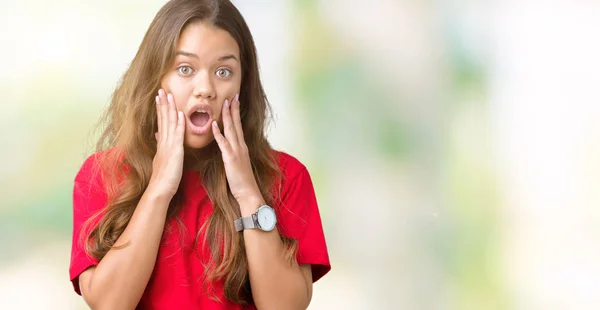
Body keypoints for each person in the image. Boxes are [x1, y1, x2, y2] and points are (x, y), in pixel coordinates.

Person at [68, 0, 331, 309]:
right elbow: (108, 304)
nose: (205, 88)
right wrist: (159, 189)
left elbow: (286, 306)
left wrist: (247, 192)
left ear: (242, 86)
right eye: (185, 69)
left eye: (223, 71)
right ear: (156, 77)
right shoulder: (102, 174)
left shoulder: (288, 177)